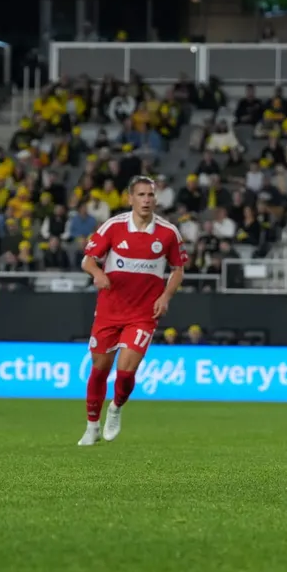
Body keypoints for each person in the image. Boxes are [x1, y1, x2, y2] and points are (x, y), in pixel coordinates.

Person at [77, 175, 186, 446]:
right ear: (130, 199)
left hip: (143, 314)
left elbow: (177, 269)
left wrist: (166, 295)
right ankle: (92, 426)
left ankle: (116, 407)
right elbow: (87, 260)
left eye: (150, 195)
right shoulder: (113, 227)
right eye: (141, 195)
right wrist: (98, 273)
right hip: (109, 311)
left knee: (126, 372)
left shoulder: (168, 232)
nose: (146, 200)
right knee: (99, 369)